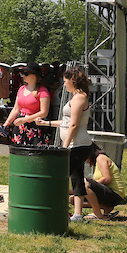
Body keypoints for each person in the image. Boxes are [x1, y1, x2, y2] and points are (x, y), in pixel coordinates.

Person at [41, 67, 93, 223]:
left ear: (73, 80)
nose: (63, 85)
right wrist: (47, 123)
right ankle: (77, 215)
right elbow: (66, 122)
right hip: (75, 146)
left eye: (65, 81)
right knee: (77, 178)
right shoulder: (75, 97)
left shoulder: (79, 99)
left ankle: (54, 209)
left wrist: (63, 147)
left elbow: (74, 125)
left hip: (78, 146)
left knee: (58, 176)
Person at [0, 62, 50, 145]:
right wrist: (6, 123)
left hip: (35, 128)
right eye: (22, 73)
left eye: (26, 73)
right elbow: (16, 109)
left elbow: (44, 113)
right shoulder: (21, 89)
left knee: (34, 155)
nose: (23, 76)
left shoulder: (42, 91)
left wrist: (26, 119)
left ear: (35, 76)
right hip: (20, 126)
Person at [83, 144, 125, 220]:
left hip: (115, 194)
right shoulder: (97, 161)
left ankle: (97, 213)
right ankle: (106, 207)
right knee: (74, 199)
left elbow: (107, 179)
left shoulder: (101, 158)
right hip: (107, 192)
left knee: (86, 183)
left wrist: (92, 184)